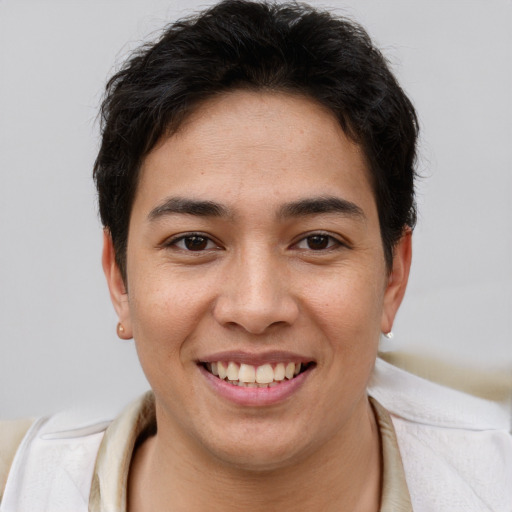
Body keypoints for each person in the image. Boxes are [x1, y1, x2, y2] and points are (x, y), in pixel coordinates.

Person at [1, 1, 510, 511]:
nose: (256, 308)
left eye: (317, 241)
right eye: (194, 242)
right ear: (119, 278)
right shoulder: (17, 485)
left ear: (393, 275)